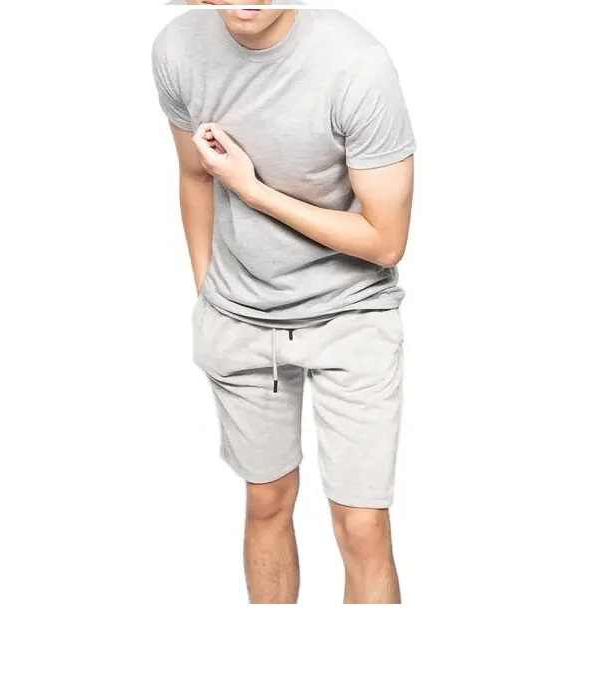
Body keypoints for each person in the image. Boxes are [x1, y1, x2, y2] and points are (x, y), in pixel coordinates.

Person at [152, 2, 415, 604]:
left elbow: (386, 240)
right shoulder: (177, 48)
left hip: (351, 315)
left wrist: (251, 190)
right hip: (239, 319)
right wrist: (210, 293)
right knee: (266, 501)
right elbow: (194, 174)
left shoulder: (356, 65)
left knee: (361, 526)